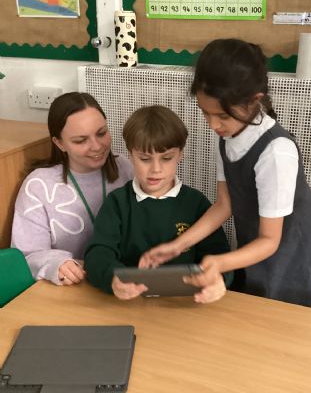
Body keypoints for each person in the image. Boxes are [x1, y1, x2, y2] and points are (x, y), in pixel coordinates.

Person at [139, 38, 311, 307]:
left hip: (290, 253)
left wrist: (219, 262)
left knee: (281, 316)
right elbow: (224, 205)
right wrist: (179, 244)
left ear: (254, 100)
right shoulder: (228, 137)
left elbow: (270, 240)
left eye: (222, 116)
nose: (213, 124)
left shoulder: (276, 152)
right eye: (205, 113)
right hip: (259, 243)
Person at [84, 105, 232, 303]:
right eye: (145, 159)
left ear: (180, 154)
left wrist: (219, 280)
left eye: (166, 158)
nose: (155, 169)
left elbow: (220, 256)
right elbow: (98, 254)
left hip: (186, 305)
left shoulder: (196, 203)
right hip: (130, 303)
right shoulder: (117, 203)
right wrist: (113, 279)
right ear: (130, 155)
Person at [11, 92, 133, 286]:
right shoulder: (38, 186)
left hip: (124, 282)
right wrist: (57, 264)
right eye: (81, 140)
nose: (96, 146)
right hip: (73, 287)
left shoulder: (128, 169)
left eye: (101, 133)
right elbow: (27, 255)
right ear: (59, 143)